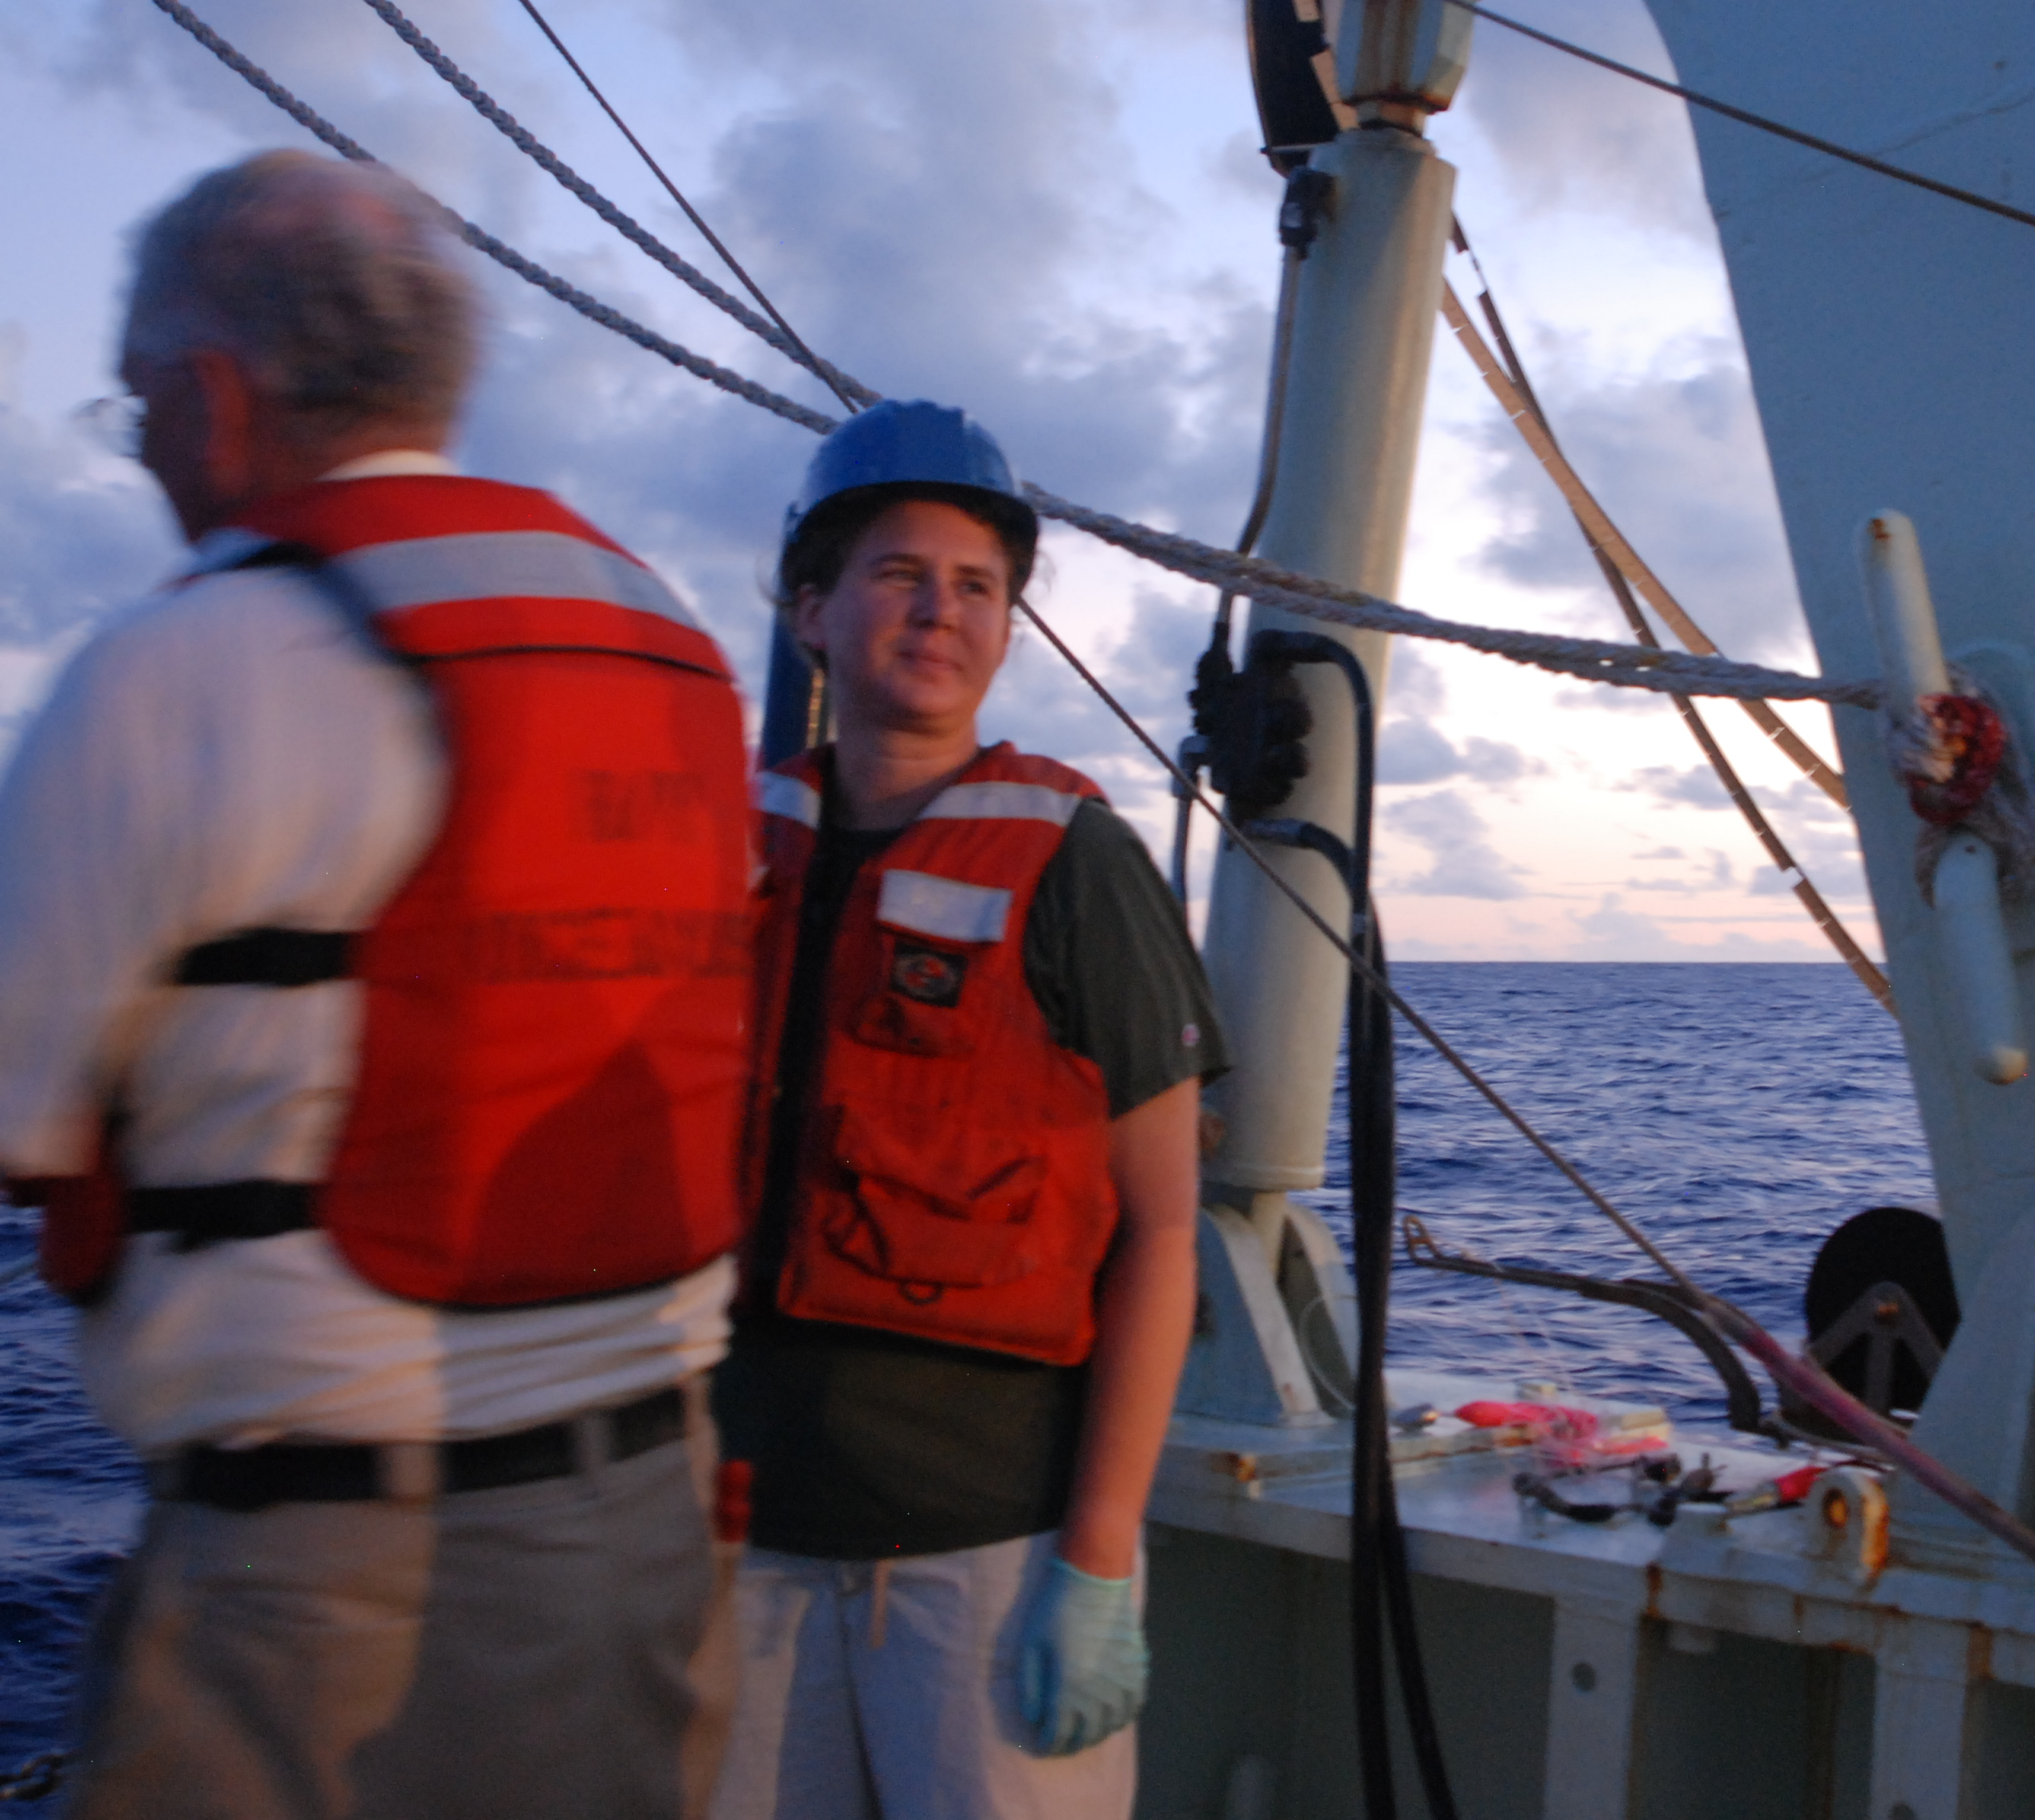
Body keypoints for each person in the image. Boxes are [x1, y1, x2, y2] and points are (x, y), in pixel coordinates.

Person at [0, 150, 756, 1818]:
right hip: (651, 1549)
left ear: (213, 398)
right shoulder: (667, 643)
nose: (142, 451)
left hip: (323, 1602)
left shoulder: (178, 668)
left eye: (136, 407)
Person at [712, 400, 1222, 1820]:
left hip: (987, 1556)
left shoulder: (1077, 866)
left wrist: (1098, 1558)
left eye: (978, 586)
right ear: (810, 612)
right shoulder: (727, 847)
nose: (941, 611)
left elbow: (1163, 1230)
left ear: (1007, 628)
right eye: (898, 574)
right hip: (736, 1540)